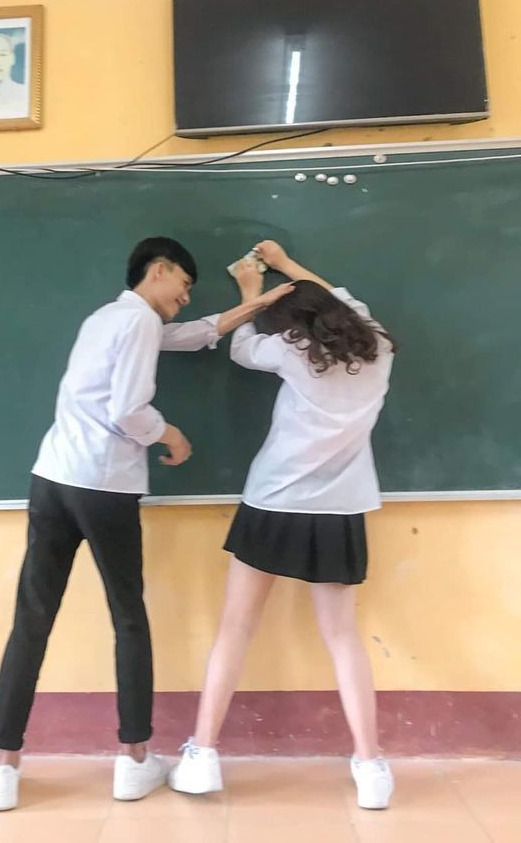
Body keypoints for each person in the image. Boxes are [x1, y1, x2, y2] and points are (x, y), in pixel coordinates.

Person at [0, 237, 294, 811]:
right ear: (159, 269)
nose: (185, 296)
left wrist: (250, 305)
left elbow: (191, 333)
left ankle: (1, 767)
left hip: (52, 480)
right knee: (128, 617)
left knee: (33, 618)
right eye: (183, 285)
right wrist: (170, 435)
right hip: (103, 488)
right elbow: (127, 409)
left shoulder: (109, 317)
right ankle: (135, 760)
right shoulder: (141, 323)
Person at [169, 239, 397, 810]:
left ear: (291, 321)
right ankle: (371, 766)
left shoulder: (291, 348)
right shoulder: (379, 344)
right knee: (342, 636)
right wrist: (290, 266)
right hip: (340, 508)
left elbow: (242, 348)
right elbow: (339, 297)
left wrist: (253, 290)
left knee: (235, 627)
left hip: (275, 501)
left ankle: (202, 756)